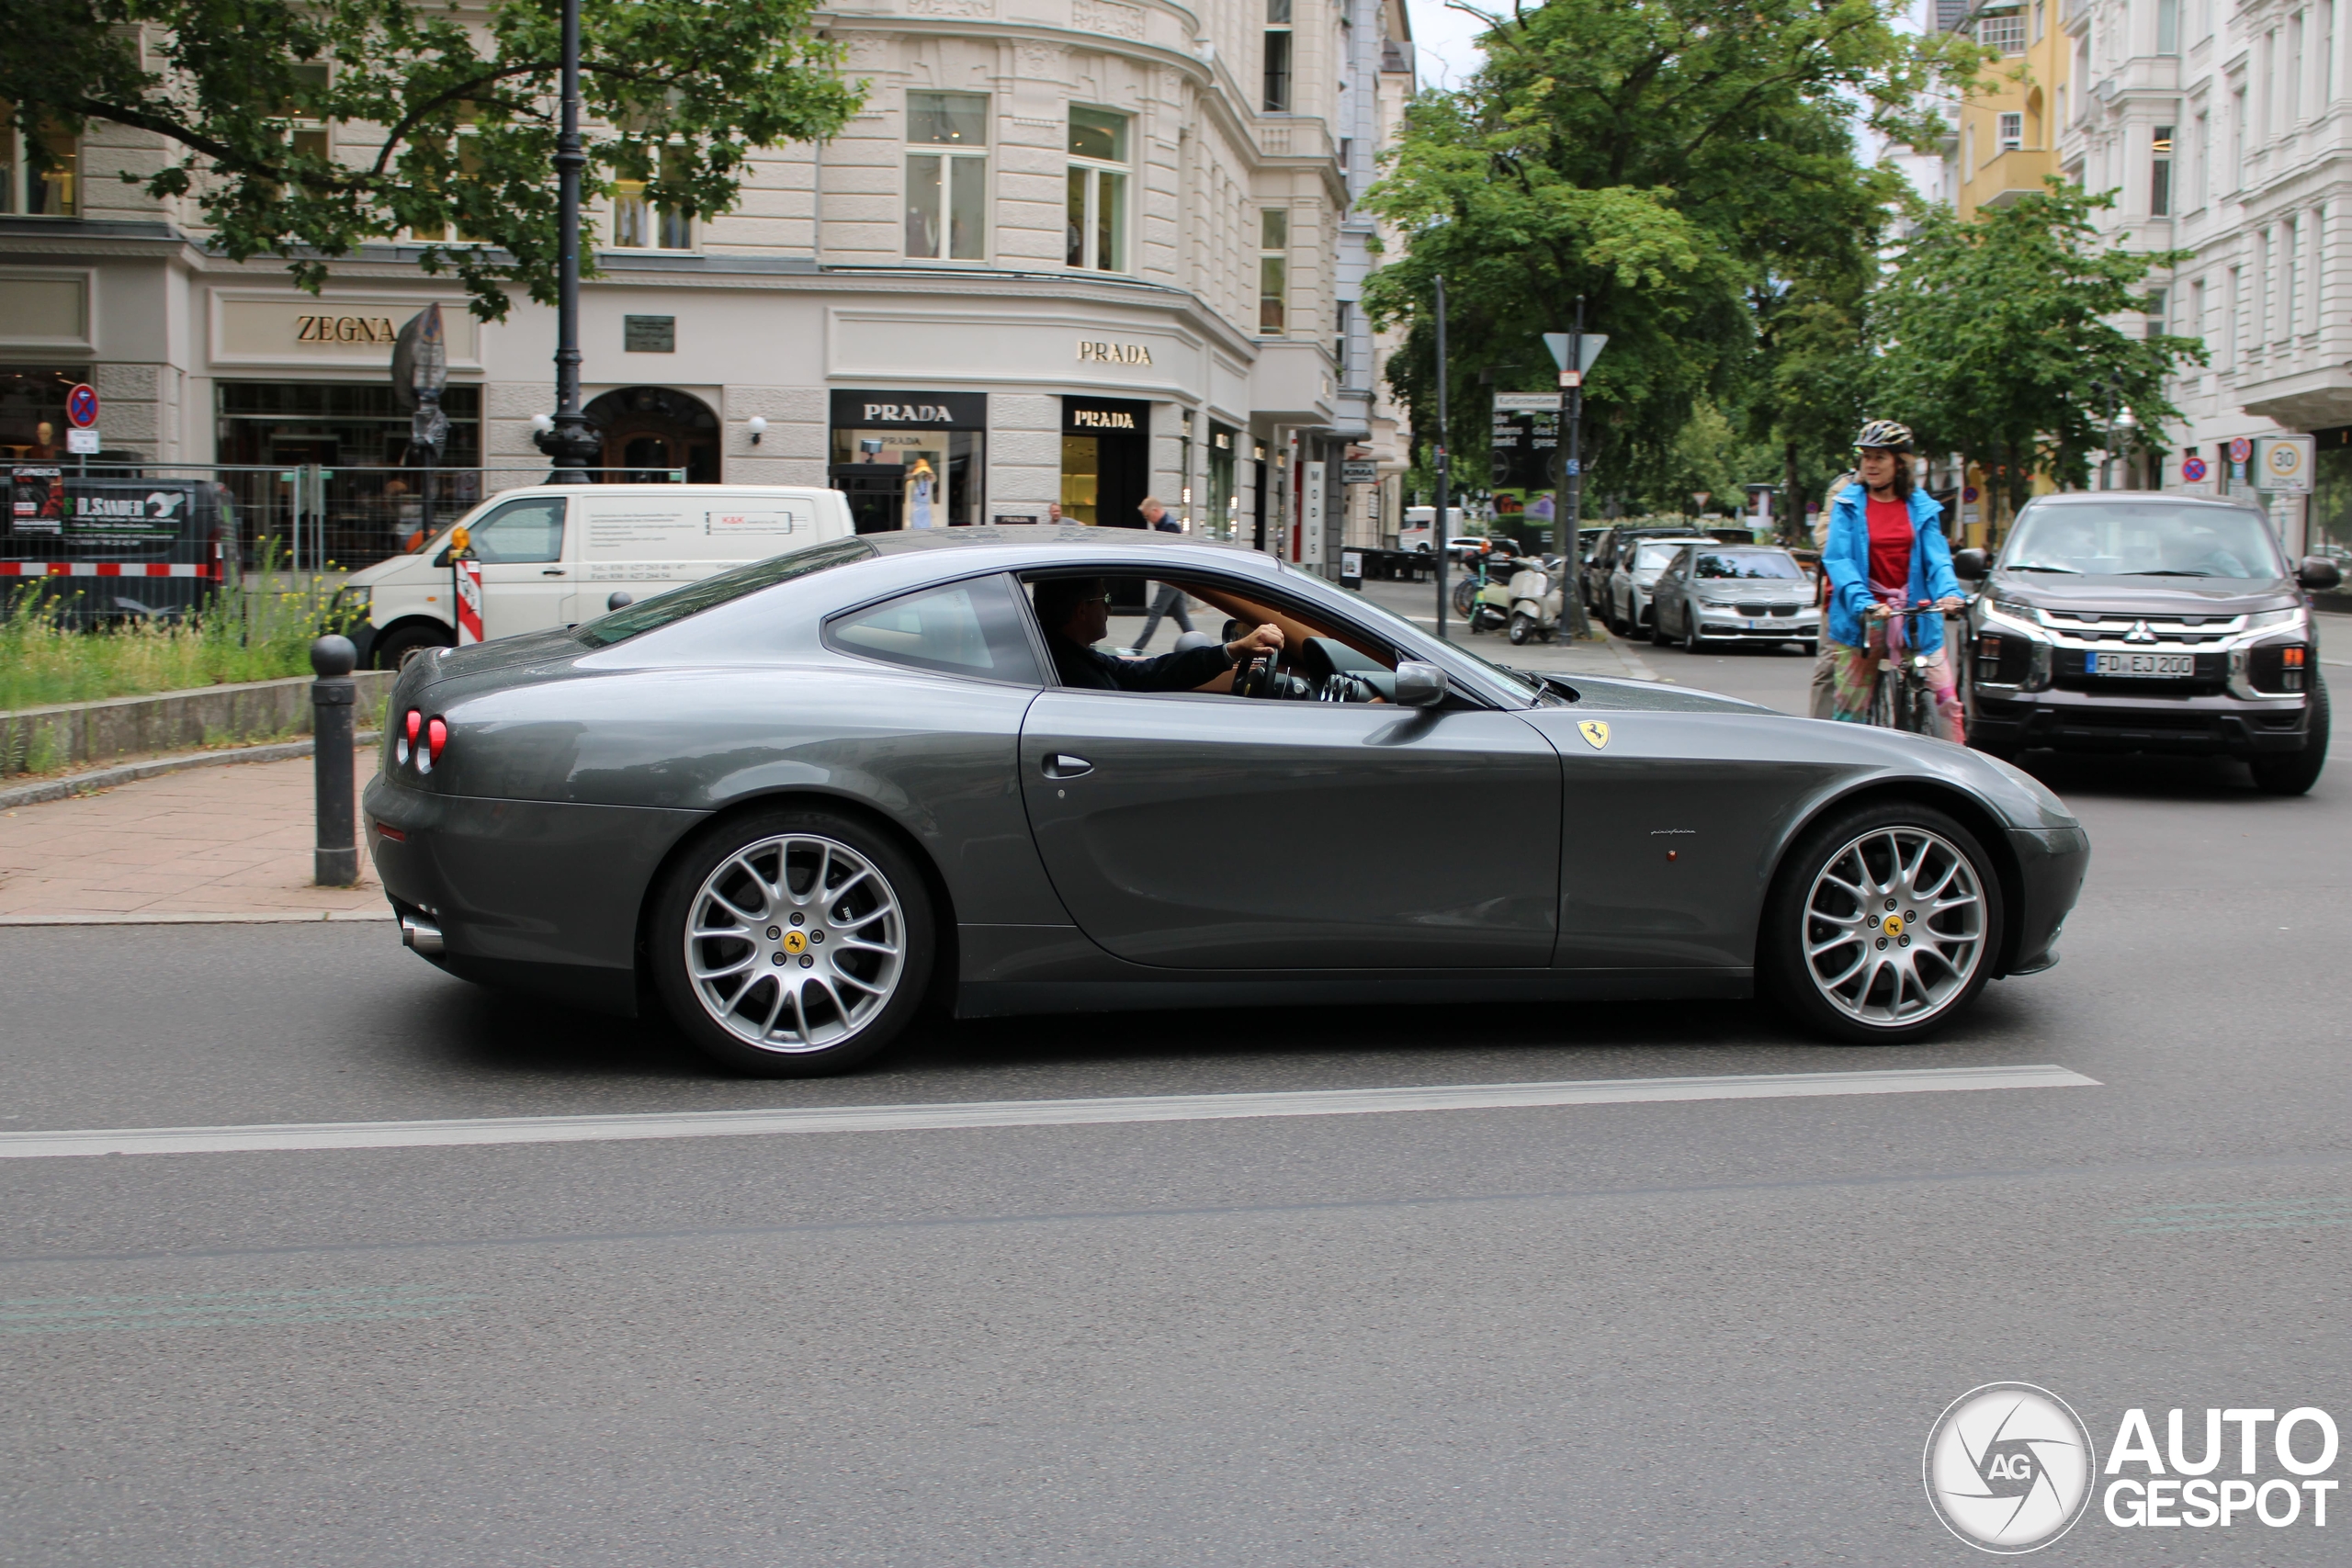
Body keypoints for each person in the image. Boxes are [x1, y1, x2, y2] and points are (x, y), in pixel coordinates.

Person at [1817, 420, 1967, 740]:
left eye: (1880, 457)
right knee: (1850, 715)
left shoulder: (1922, 507)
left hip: (1915, 616)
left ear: (1900, 463)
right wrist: (1865, 603)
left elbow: (1938, 559)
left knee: (1947, 704)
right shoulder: (1847, 505)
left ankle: (1958, 776)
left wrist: (1950, 594)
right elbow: (1839, 560)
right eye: (1865, 456)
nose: (1870, 464)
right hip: (1865, 618)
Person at [1035, 577, 1283, 692]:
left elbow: (1145, 672)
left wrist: (1233, 650)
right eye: (1105, 599)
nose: (1109, 608)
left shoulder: (1066, 656)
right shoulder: (1078, 676)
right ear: (1082, 610)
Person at [1132, 496, 1196, 649]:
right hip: (1175, 576)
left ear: (1155, 510)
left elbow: (1172, 553)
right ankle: (1200, 646)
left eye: (1148, 516)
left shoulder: (1169, 526)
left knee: (1155, 611)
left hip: (1172, 576)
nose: (1149, 520)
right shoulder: (1165, 525)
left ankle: (1136, 649)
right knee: (1181, 616)